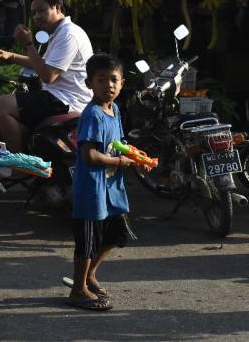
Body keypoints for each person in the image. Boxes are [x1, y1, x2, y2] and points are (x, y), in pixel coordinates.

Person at [67, 53, 139, 311]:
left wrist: (133, 155)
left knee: (118, 234)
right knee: (87, 242)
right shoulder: (93, 115)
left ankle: (89, 275)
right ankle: (78, 290)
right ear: (89, 84)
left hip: (110, 189)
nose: (108, 85)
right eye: (101, 80)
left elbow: (116, 144)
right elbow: (89, 154)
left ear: (122, 83)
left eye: (113, 79)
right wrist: (120, 162)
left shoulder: (115, 109)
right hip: (92, 190)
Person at [0, 0, 93, 152]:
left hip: (65, 100)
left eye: (41, 10)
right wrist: (11, 56)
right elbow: (44, 64)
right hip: (58, 96)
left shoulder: (68, 34)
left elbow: (47, 75)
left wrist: (28, 44)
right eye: (34, 12)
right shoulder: (59, 32)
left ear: (57, 7)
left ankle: (17, 165)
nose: (37, 17)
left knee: (2, 105)